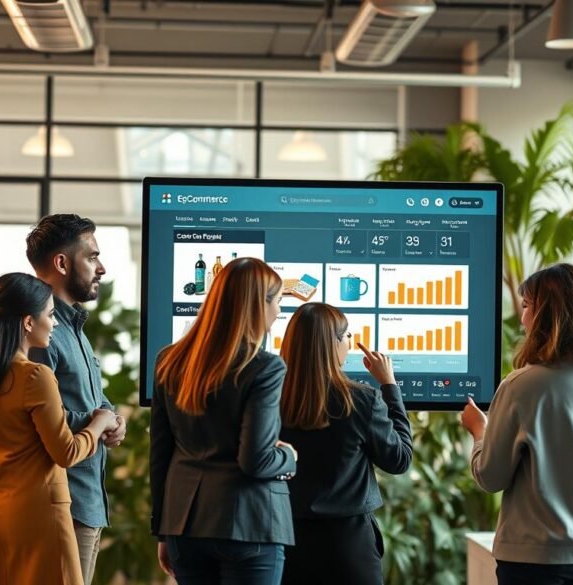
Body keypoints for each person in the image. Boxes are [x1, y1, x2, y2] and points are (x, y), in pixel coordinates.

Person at [460, 263, 573, 585]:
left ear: (550, 314)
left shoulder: (524, 385)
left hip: (537, 558)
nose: (522, 318)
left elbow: (491, 476)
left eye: (528, 306)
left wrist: (479, 431)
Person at [0, 272, 119, 585]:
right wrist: (100, 420)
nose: (55, 323)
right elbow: (67, 452)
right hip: (42, 512)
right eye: (49, 315)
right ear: (28, 323)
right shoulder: (34, 376)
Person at [151, 257, 297, 585]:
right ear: (258, 304)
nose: (278, 312)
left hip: (184, 526)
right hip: (249, 523)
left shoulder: (168, 361)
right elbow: (256, 460)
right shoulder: (265, 368)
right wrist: (290, 457)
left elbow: (161, 453)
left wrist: (162, 529)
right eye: (277, 301)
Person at [277, 303, 413, 585]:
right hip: (349, 548)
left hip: (285, 542)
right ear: (333, 344)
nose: (349, 343)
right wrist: (389, 386)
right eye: (346, 336)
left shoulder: (268, 399)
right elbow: (399, 459)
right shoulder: (361, 400)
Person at [25, 214, 125, 585]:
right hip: (61, 506)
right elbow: (33, 419)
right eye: (92, 257)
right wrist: (100, 421)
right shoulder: (41, 332)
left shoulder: (74, 328)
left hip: (85, 502)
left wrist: (112, 418)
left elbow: (95, 400)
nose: (102, 268)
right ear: (62, 263)